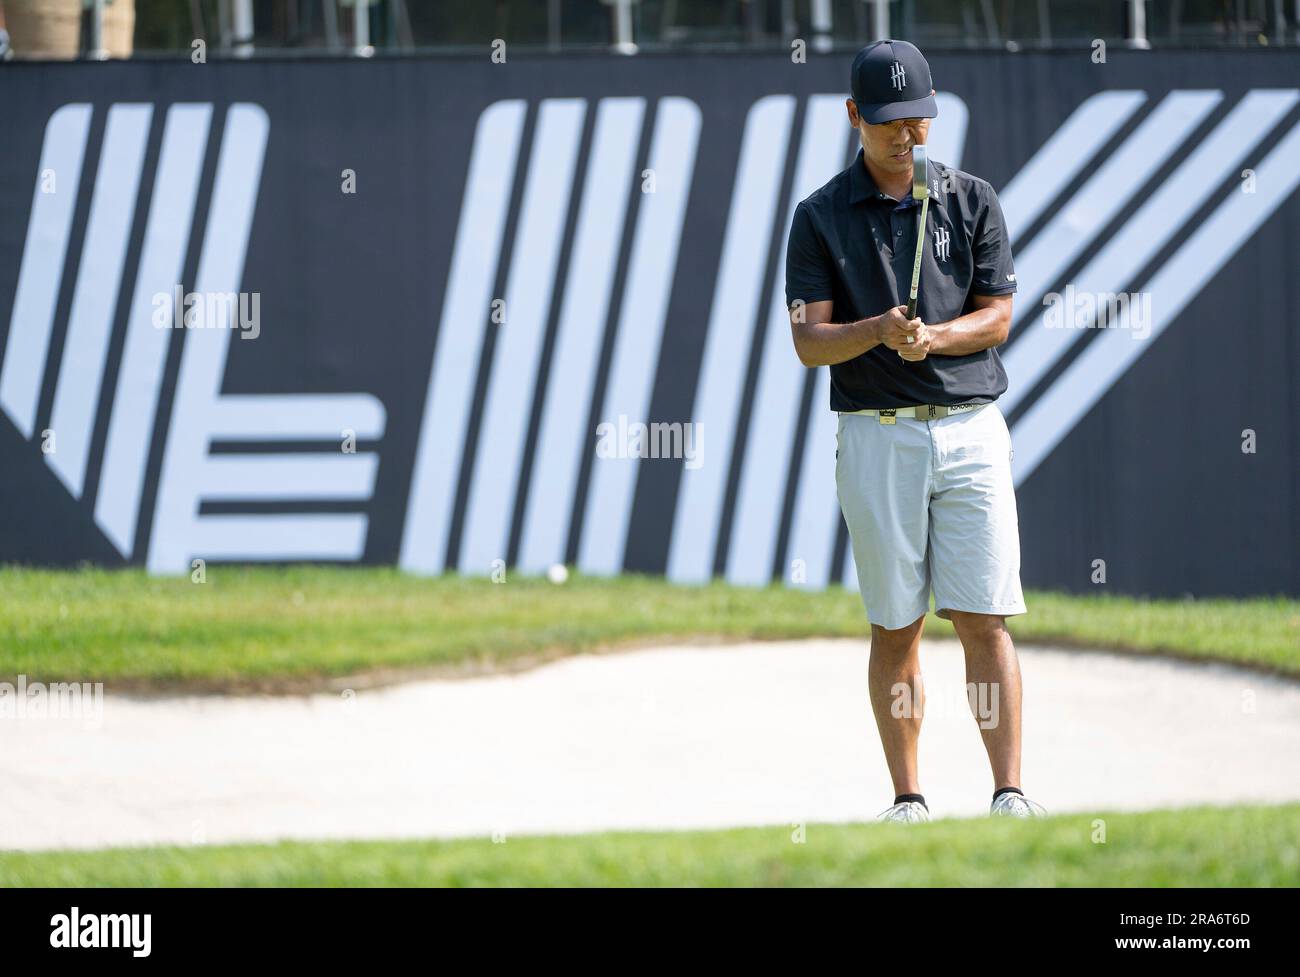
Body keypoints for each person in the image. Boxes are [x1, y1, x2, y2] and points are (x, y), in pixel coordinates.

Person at [785, 38, 1044, 822]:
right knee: (897, 623)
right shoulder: (819, 217)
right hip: (877, 434)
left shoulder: (971, 198)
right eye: (891, 121)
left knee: (984, 618)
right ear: (854, 116)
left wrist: (935, 338)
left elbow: (997, 315)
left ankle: (1008, 791)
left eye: (919, 120)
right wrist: (878, 331)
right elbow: (808, 341)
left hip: (970, 428)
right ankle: (909, 797)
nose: (908, 135)